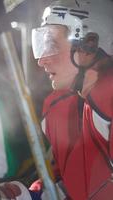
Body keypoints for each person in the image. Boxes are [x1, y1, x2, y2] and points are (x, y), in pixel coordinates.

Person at [31, 0, 113, 199]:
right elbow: (76, 181)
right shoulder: (68, 106)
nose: (41, 60)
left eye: (51, 44)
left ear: (88, 46)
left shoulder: (107, 101)